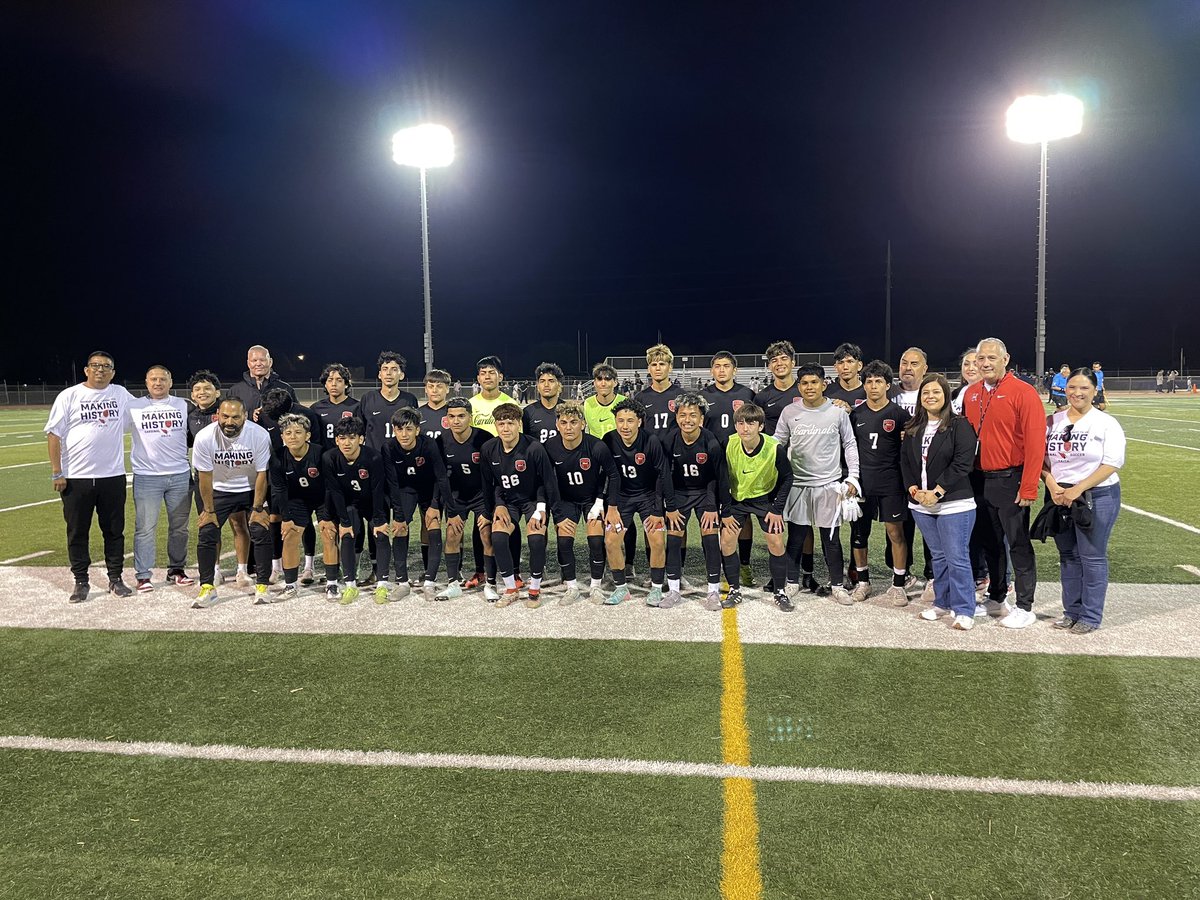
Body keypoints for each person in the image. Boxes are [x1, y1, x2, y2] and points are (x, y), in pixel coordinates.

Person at [962, 337, 1047, 629]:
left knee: (1018, 543)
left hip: (1010, 478)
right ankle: (997, 598)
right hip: (978, 480)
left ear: (1005, 359)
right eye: (981, 359)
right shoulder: (971, 393)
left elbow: (1036, 443)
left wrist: (1029, 486)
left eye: (991, 358)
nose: (985, 363)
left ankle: (1025, 605)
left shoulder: (1023, 392)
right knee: (990, 543)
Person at [44, 350, 135, 602]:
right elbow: (54, 434)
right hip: (76, 478)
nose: (100, 370)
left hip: (112, 476)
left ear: (113, 372)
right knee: (77, 531)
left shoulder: (120, 394)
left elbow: (144, 411)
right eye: (95, 365)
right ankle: (81, 581)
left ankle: (115, 578)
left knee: (114, 531)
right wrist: (57, 472)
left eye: (106, 366)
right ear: (86, 370)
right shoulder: (70, 395)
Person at [1043, 368, 1126, 633]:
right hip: (1059, 495)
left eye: (1084, 388)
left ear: (1094, 391)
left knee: (1092, 557)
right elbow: (1040, 460)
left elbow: (1113, 462)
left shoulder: (1105, 422)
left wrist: (1078, 488)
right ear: (1064, 389)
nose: (1077, 393)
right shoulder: (1052, 421)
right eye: (1072, 387)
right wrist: (1052, 484)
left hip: (1096, 494)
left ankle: (1090, 616)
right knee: (1067, 556)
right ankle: (1071, 611)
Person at [774, 363, 860, 605]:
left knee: (830, 539)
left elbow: (850, 445)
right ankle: (792, 582)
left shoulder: (837, 412)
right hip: (798, 485)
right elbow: (777, 443)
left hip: (828, 484)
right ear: (798, 386)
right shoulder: (789, 412)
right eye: (804, 383)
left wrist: (853, 476)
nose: (809, 387)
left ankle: (837, 585)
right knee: (796, 537)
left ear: (824, 384)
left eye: (814, 382)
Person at [900, 374, 979, 631]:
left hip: (954, 503)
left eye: (936, 392)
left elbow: (963, 464)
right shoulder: (913, 428)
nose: (930, 397)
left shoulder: (960, 425)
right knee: (939, 557)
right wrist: (913, 488)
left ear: (946, 395)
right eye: (926, 393)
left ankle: (965, 608)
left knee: (957, 557)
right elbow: (905, 462)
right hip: (920, 503)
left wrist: (937, 491)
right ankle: (942, 603)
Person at [191, 397, 274, 607]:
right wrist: (208, 510)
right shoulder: (204, 437)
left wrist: (257, 508)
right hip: (220, 490)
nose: (230, 421)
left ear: (244, 416)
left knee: (260, 528)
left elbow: (263, 473)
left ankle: (262, 586)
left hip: (250, 488)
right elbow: (205, 476)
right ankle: (207, 587)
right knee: (207, 531)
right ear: (218, 414)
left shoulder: (259, 435)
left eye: (236, 417)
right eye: (225, 416)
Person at [479, 403, 558, 607]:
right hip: (507, 501)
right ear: (495, 425)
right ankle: (511, 588)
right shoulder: (488, 449)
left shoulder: (534, 448)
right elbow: (490, 484)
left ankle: (534, 589)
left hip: (532, 500)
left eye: (510, 423)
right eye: (501, 423)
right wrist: (496, 506)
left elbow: (546, 482)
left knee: (536, 538)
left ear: (519, 424)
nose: (506, 428)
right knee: (497, 535)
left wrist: (542, 509)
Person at [544, 399, 619, 605]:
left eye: (574, 422)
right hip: (566, 500)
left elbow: (612, 475)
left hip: (591, 500)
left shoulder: (596, 446)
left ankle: (595, 586)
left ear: (583, 424)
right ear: (557, 425)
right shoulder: (549, 447)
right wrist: (557, 514)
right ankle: (572, 587)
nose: (569, 427)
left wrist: (601, 502)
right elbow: (546, 483)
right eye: (564, 422)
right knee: (564, 540)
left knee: (596, 540)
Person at [848, 361, 911, 605]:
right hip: (862, 483)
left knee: (895, 533)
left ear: (887, 385)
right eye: (869, 381)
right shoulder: (856, 415)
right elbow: (848, 448)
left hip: (891, 483)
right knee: (859, 534)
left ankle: (898, 584)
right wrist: (850, 479)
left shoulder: (900, 415)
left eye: (878, 381)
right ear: (864, 385)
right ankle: (863, 581)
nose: (873, 386)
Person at [720, 403, 793, 612]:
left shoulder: (773, 447)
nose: (745, 428)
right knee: (726, 541)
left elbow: (788, 477)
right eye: (740, 423)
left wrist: (777, 509)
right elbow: (721, 479)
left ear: (760, 426)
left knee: (776, 541)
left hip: (765, 499)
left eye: (751, 423)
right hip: (737, 500)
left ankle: (780, 591)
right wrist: (725, 511)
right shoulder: (729, 444)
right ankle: (734, 589)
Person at [602, 398, 675, 605]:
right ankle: (621, 588)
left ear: (639, 422)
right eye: (620, 420)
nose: (625, 426)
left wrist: (658, 510)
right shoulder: (608, 439)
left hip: (648, 496)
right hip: (621, 498)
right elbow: (607, 475)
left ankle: (656, 588)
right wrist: (611, 506)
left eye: (630, 421)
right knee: (611, 541)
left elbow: (663, 475)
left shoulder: (651, 441)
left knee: (658, 540)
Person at [127, 365, 193, 592]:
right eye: (153, 379)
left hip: (180, 474)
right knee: (145, 527)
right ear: (146, 382)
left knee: (180, 528)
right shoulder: (133, 406)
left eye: (162, 379)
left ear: (170, 381)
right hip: (147, 476)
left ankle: (176, 569)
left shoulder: (183, 405)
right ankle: (143, 575)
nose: (158, 383)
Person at [662, 393, 727, 609]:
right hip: (679, 493)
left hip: (704, 492)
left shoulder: (711, 442)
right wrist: (670, 507)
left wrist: (711, 506)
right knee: (673, 538)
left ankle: (713, 592)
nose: (687, 419)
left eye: (693, 415)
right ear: (677, 417)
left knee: (710, 537)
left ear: (701, 419)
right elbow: (665, 477)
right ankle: (673, 590)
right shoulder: (669, 441)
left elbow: (716, 477)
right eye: (682, 415)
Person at [187, 370, 250, 585]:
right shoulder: (192, 416)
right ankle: (214, 570)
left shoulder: (227, 411)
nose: (202, 392)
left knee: (239, 525)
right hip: (206, 481)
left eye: (207, 388)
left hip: (234, 478)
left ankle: (242, 570)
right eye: (197, 389)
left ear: (217, 392)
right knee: (209, 525)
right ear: (192, 395)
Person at [382, 407, 450, 600]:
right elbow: (393, 483)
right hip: (406, 490)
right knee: (400, 528)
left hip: (429, 489)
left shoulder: (428, 444)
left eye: (409, 429)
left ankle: (430, 582)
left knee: (433, 524)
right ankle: (402, 582)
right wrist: (399, 516)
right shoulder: (388, 447)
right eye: (400, 429)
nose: (404, 434)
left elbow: (440, 476)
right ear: (394, 430)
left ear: (417, 430)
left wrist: (435, 505)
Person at [268, 413, 336, 601]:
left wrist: (328, 516)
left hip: (322, 498)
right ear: (282, 437)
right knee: (290, 535)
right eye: (288, 432)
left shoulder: (321, 453)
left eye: (298, 432)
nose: (293, 436)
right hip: (296, 499)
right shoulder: (277, 457)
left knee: (329, 534)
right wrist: (286, 518)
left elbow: (331, 487)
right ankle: (290, 585)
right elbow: (279, 489)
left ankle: (332, 584)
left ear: (307, 435)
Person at [323, 416, 390, 604]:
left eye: (352, 437)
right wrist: (343, 522)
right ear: (336, 440)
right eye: (342, 438)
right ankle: (351, 585)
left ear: (361, 439)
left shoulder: (373, 457)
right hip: (349, 502)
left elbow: (378, 489)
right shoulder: (330, 458)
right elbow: (334, 491)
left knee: (381, 534)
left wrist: (378, 519)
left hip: (373, 501)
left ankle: (382, 584)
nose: (346, 442)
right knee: (347, 534)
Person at [434, 398, 496, 600]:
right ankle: (453, 584)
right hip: (455, 497)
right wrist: (450, 511)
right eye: (451, 416)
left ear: (470, 417)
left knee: (487, 535)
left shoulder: (484, 438)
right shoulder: (440, 441)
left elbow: (491, 477)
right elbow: (440, 478)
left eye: (461, 416)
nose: (456, 421)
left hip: (481, 495)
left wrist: (488, 510)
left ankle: (491, 584)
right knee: (452, 534)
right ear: (446, 419)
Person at [358, 351, 419, 450]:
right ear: (379, 374)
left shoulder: (409, 400)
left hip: (401, 459)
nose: (389, 373)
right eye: (385, 369)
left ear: (402, 375)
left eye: (394, 369)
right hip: (374, 459)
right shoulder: (368, 398)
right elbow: (359, 432)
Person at [227, 344, 296, 423]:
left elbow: (295, 416)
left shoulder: (286, 389)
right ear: (248, 363)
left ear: (270, 362)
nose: (258, 364)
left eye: (262, 360)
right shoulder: (235, 391)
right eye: (254, 360)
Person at [754, 340, 801, 436]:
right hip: (774, 450)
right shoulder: (761, 397)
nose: (779, 363)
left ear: (793, 363)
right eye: (774, 360)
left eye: (784, 358)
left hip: (803, 449)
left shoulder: (805, 391)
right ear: (770, 366)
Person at [311, 363, 359, 445]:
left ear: (346, 384)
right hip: (324, 456)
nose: (334, 384)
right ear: (325, 384)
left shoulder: (357, 407)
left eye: (339, 380)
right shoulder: (316, 408)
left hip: (348, 456)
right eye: (330, 380)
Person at [469, 356, 518, 436]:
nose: (487, 377)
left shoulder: (511, 404)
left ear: (500, 377)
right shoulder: (470, 404)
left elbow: (517, 436)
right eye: (483, 373)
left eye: (491, 373)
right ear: (478, 378)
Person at [523, 362, 564, 443]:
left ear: (559, 385)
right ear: (538, 386)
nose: (546, 385)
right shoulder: (528, 412)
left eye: (551, 381)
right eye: (542, 381)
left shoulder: (567, 410)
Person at [583, 362, 625, 438]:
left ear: (615, 382)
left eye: (607, 379)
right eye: (599, 379)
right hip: (596, 449)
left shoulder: (625, 402)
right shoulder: (587, 404)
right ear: (594, 383)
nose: (603, 383)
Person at [824, 342, 867, 410]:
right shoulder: (825, 392)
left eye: (850, 362)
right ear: (835, 367)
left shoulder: (869, 392)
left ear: (859, 366)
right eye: (841, 362)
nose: (845, 367)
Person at [419, 369, 452, 439]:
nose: (434, 390)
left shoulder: (454, 414)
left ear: (447, 389)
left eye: (439, 386)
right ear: (425, 389)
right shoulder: (417, 414)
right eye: (431, 386)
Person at [951, 348, 981, 415]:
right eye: (966, 364)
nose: (970, 368)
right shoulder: (955, 393)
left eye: (975, 364)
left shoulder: (991, 392)